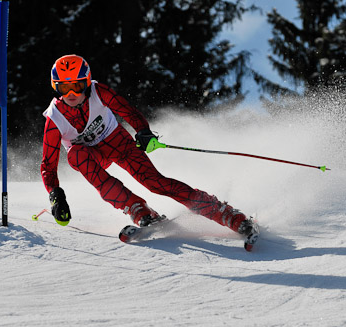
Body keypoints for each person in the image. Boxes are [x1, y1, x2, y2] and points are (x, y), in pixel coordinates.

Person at [41, 54, 257, 243]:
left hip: (118, 142)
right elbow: (48, 166)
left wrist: (142, 130)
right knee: (75, 155)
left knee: (156, 183)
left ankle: (225, 213)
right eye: (63, 87)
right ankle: (136, 208)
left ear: (86, 83)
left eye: (76, 86)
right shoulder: (55, 119)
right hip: (92, 156)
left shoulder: (99, 92)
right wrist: (56, 195)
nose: (70, 93)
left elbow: (127, 111)